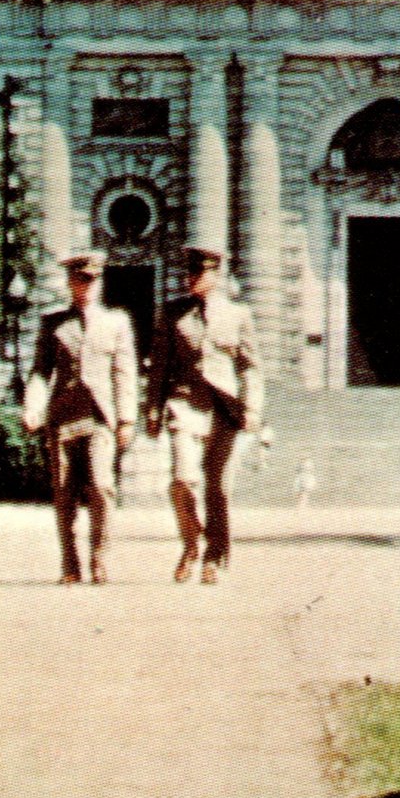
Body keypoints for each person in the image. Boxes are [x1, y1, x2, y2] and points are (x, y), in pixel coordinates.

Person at [147, 246, 261, 584]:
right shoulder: (173, 313)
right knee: (182, 479)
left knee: (219, 489)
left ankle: (214, 556)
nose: (191, 278)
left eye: (199, 272)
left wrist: (252, 407)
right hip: (184, 403)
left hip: (224, 408)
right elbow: (159, 367)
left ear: (216, 274)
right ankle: (191, 542)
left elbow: (250, 367)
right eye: (190, 272)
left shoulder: (238, 315)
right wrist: (152, 409)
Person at [25, 253, 138, 584]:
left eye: (91, 280)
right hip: (63, 419)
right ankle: (70, 562)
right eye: (79, 279)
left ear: (100, 282)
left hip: (100, 418)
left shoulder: (116, 323)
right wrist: (33, 406)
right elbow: (40, 372)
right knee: (64, 493)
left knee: (102, 485)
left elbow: (124, 371)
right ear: (69, 282)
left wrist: (127, 418)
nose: (85, 286)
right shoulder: (54, 323)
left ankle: (99, 557)